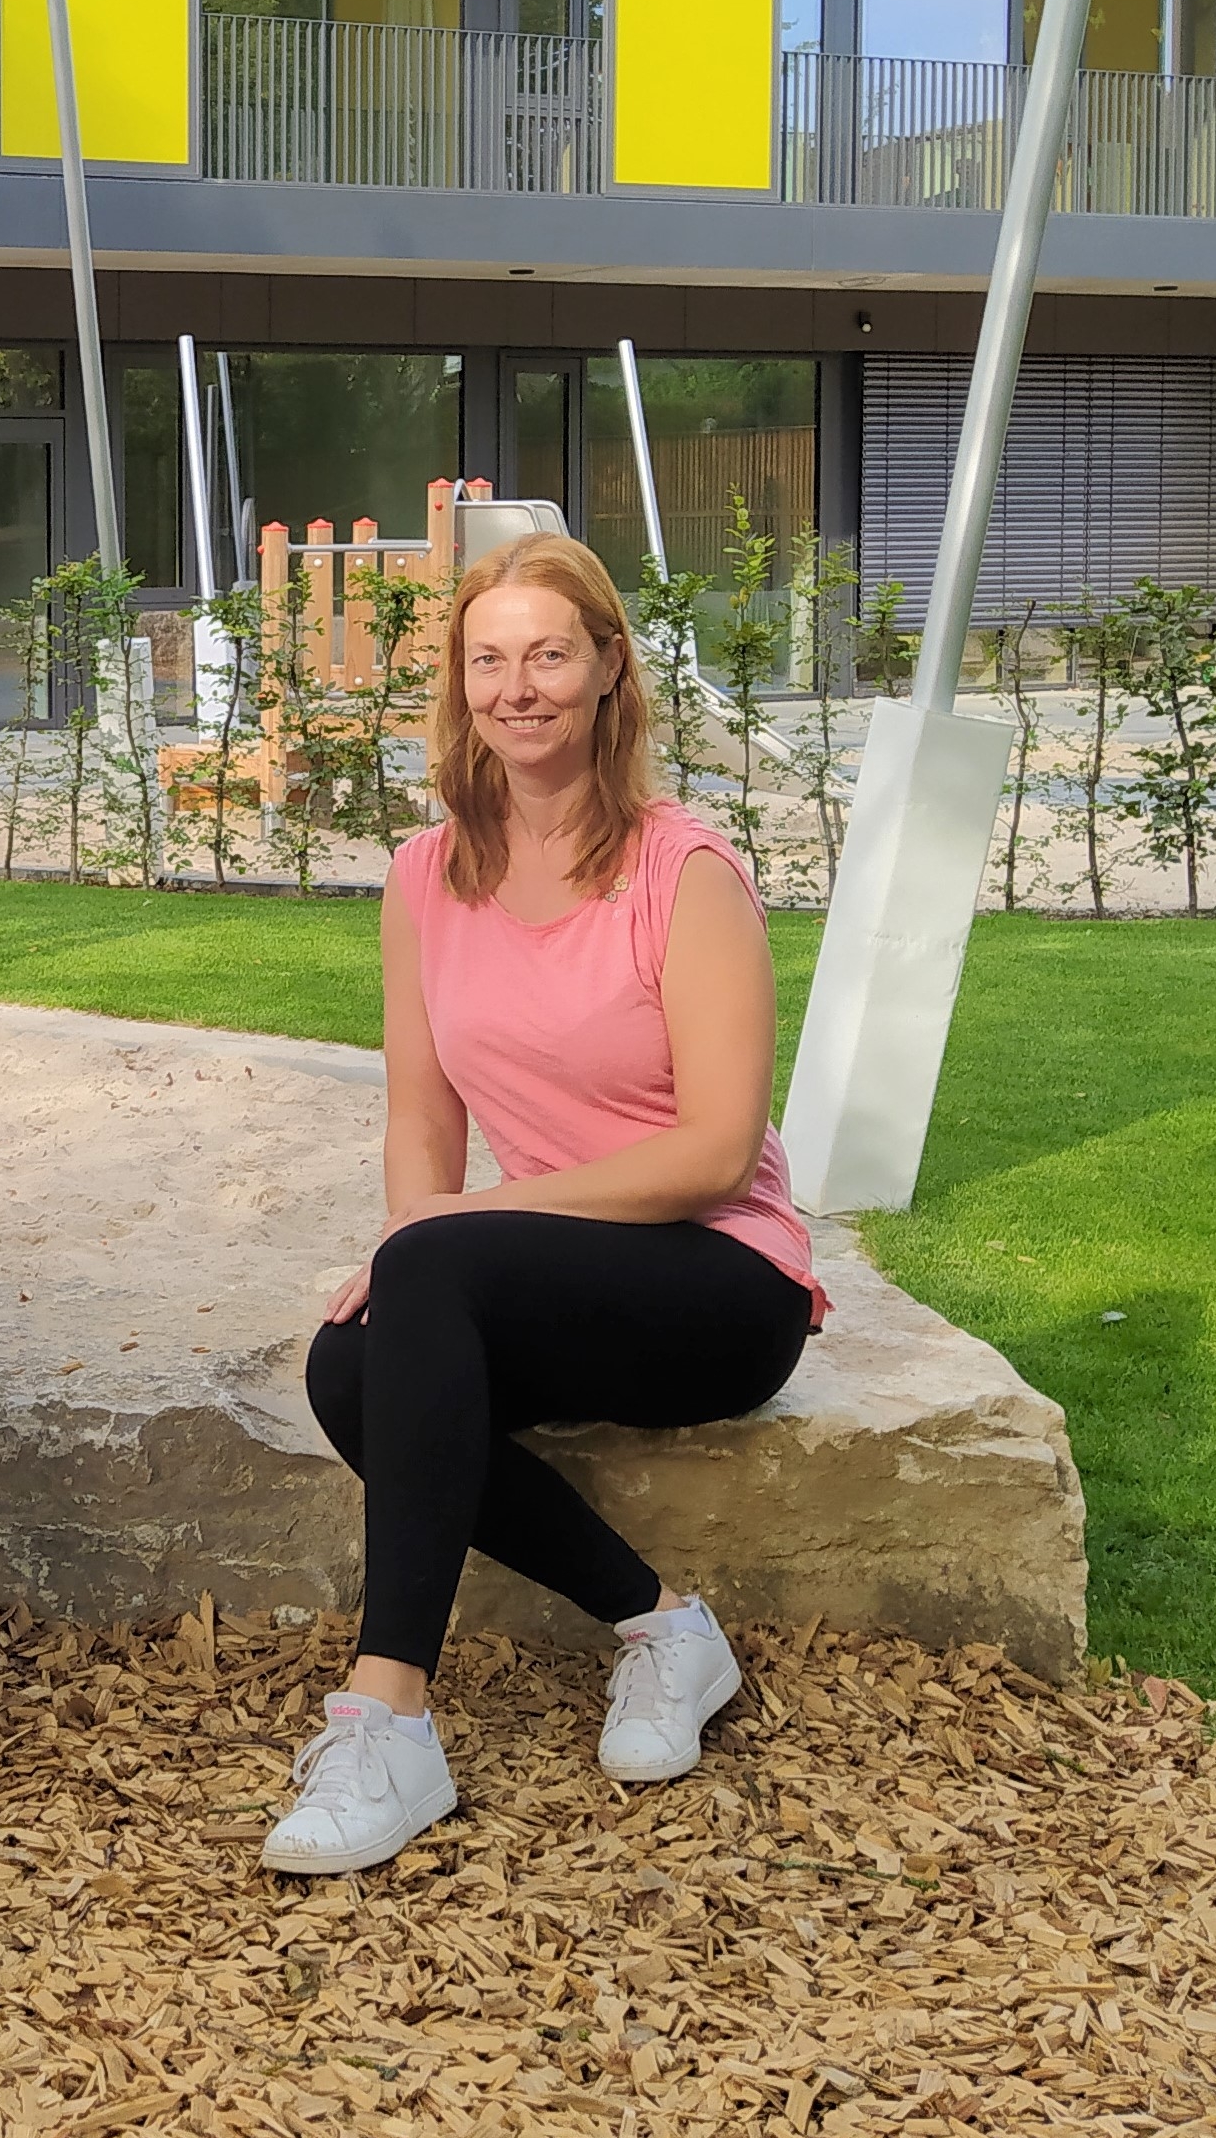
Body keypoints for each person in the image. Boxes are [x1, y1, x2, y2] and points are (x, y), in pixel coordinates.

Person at [262, 532, 830, 1878]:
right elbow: (422, 1117)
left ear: (608, 668)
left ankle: (389, 1717)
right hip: (552, 1269)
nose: (519, 688)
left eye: (549, 655)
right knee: (349, 1371)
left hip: (717, 1279)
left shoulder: (684, 871)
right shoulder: (426, 875)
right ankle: (663, 1629)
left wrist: (440, 1235)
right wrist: (420, 1238)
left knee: (436, 1264)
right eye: (489, 661)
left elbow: (712, 1150)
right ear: (459, 688)